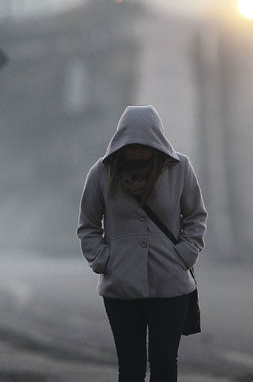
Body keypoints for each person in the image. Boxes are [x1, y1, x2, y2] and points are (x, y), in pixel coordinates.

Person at [77, 105, 207, 382]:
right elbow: (88, 226)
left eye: (143, 142)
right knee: (131, 366)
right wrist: (103, 260)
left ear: (156, 138)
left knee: (163, 364)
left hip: (171, 285)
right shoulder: (101, 173)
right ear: (121, 139)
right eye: (132, 142)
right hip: (120, 288)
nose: (137, 149)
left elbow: (195, 216)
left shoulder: (179, 168)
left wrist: (184, 254)